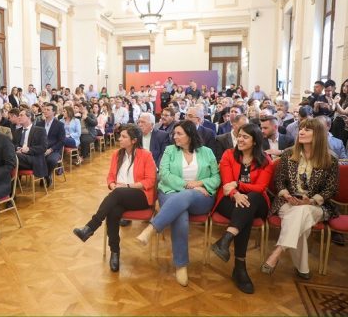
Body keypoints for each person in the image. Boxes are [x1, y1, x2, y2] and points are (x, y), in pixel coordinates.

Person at [136, 120, 219, 286]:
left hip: (201, 197)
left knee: (185, 198)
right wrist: (188, 185)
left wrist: (199, 185)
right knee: (180, 214)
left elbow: (216, 177)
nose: (175, 137)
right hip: (171, 191)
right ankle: (181, 266)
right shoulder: (170, 150)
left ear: (190, 135)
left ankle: (152, 227)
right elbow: (164, 175)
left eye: (179, 133)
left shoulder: (207, 152)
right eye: (174, 134)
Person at [262, 118, 339, 279]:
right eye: (301, 129)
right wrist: (286, 195)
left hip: (315, 205)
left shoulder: (330, 159)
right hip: (287, 201)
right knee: (300, 222)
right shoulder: (289, 153)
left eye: (307, 130)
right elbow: (279, 180)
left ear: (318, 134)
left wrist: (311, 201)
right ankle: (302, 269)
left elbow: (331, 189)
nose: (301, 132)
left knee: (301, 212)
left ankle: (277, 252)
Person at [73, 124, 156, 272]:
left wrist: (126, 186)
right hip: (119, 196)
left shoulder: (146, 155)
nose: (120, 139)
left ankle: (91, 227)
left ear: (134, 140)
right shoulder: (117, 154)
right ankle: (115, 252)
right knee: (113, 212)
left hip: (140, 196)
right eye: (121, 136)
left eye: (124, 137)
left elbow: (150, 181)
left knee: (117, 194)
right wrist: (112, 185)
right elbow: (111, 177)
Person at [210, 123, 274, 294]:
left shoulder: (265, 160)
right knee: (244, 215)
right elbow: (226, 183)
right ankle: (240, 268)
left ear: (255, 141)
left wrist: (238, 185)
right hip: (229, 200)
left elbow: (260, 188)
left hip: (257, 201)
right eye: (239, 135)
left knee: (251, 200)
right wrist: (235, 194)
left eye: (245, 136)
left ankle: (227, 239)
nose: (240, 139)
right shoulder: (228, 155)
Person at [12, 109, 48, 179]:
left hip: (33, 158)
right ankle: (11, 183)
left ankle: (10, 183)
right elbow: (12, 145)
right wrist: (18, 148)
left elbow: (43, 147)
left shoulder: (40, 130)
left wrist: (28, 150)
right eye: (18, 115)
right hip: (20, 158)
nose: (19, 117)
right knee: (10, 157)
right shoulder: (17, 131)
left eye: (21, 115)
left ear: (29, 117)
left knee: (12, 156)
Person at [36, 103, 65, 186]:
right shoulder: (39, 124)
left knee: (51, 160)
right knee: (36, 159)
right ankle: (44, 175)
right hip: (41, 149)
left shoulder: (59, 125)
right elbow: (36, 139)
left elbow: (62, 141)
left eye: (48, 110)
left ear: (54, 112)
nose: (45, 111)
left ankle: (47, 175)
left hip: (54, 150)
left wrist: (51, 150)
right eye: (44, 109)